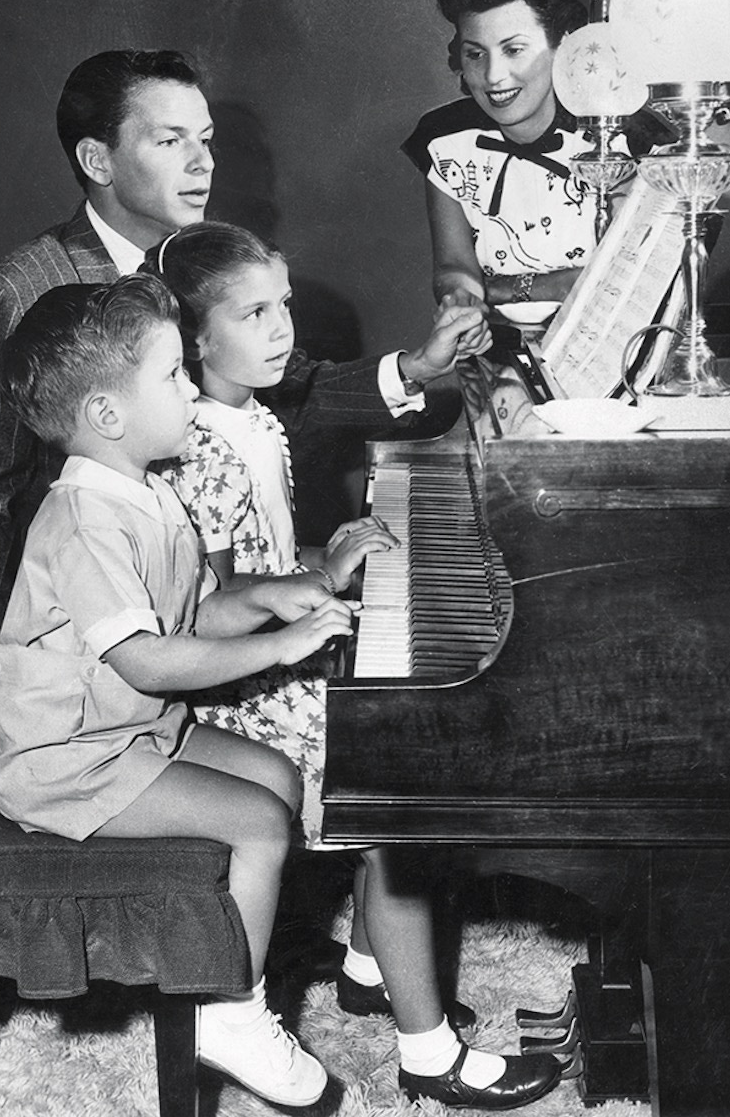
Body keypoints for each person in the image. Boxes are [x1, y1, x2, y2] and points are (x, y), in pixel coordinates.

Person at [0, 46, 491, 762]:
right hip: (100, 654)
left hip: (218, 615)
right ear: (97, 161)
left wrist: (416, 368)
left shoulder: (202, 257)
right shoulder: (24, 289)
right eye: (170, 141)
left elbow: (289, 388)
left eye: (206, 141)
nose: (203, 164)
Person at [149, 221, 562, 1112]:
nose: (282, 329)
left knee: (407, 719)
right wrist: (322, 574)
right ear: (193, 339)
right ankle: (428, 1054)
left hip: (268, 663)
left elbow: (253, 554)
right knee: (399, 796)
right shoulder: (199, 445)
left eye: (283, 306)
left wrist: (317, 555)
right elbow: (209, 599)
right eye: (254, 314)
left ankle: (373, 968)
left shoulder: (252, 416)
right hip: (234, 694)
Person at [0, 271, 364, 1108]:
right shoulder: (84, 519)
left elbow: (198, 612)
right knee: (260, 823)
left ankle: (237, 947)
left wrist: (270, 599)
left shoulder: (150, 493)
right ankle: (231, 1008)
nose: (192, 387)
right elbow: (151, 661)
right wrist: (292, 642)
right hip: (70, 760)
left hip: (138, 731)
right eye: (172, 375)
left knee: (278, 775)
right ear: (107, 417)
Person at [402, 0, 599, 312]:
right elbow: (454, 267)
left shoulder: (616, 140)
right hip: (496, 354)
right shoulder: (445, 140)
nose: (494, 76)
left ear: (561, 46)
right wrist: (461, 298)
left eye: (514, 50)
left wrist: (497, 288)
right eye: (475, 54)